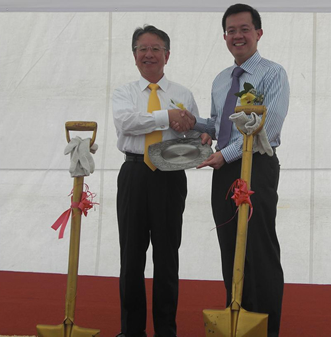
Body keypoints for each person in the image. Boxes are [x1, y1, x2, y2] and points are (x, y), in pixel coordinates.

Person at [194, 4, 290, 336]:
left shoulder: (273, 73)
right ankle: (238, 320)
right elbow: (221, 124)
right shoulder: (222, 79)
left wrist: (225, 153)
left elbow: (269, 126)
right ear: (224, 37)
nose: (238, 36)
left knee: (258, 247)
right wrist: (199, 128)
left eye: (244, 29)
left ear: (258, 33)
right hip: (223, 170)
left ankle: (265, 327)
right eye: (231, 31)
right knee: (230, 247)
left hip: (257, 166)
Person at [112, 25, 205, 337]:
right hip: (134, 174)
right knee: (131, 257)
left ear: (167, 54)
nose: (148, 54)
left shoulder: (183, 94)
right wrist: (167, 117)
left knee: (167, 257)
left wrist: (201, 136)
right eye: (142, 49)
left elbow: (191, 134)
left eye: (155, 49)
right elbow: (126, 123)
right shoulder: (124, 93)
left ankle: (166, 330)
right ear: (134, 56)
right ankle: (131, 330)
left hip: (170, 176)